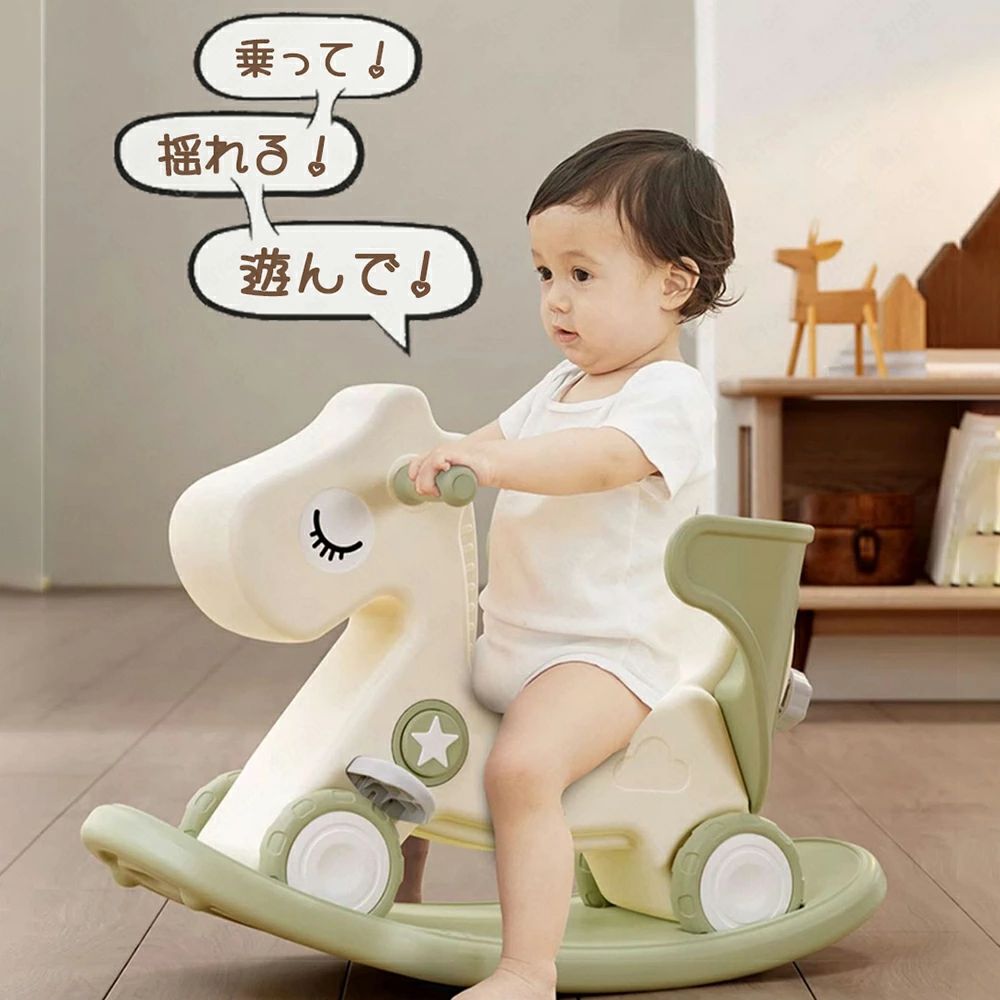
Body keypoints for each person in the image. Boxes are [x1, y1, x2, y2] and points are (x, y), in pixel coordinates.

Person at [404, 128, 736, 999]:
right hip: (511, 639)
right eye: (544, 273)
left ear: (673, 284)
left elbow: (597, 462)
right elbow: (485, 442)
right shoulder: (557, 386)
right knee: (404, 736)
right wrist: (426, 458)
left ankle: (527, 968)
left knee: (521, 772)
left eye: (583, 274)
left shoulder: (667, 396)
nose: (556, 298)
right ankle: (391, 903)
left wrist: (492, 463)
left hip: (603, 655)